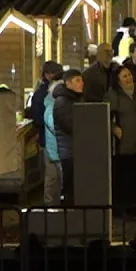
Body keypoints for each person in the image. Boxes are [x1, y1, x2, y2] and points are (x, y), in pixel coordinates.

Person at [106, 65, 136, 216]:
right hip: (124, 143)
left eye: (129, 75)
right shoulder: (114, 95)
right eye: (124, 76)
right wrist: (114, 128)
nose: (128, 78)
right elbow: (105, 115)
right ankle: (123, 208)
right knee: (126, 176)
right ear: (118, 81)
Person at [29, 61, 64, 206]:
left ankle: (50, 206)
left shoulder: (40, 94)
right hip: (53, 142)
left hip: (46, 141)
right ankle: (57, 205)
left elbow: (36, 117)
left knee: (51, 177)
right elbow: (40, 118)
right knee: (56, 176)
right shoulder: (46, 95)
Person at [52, 69, 85, 206]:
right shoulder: (62, 102)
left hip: (75, 150)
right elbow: (70, 125)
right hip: (69, 151)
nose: (81, 83)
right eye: (77, 80)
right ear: (68, 83)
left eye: (82, 80)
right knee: (69, 186)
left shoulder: (75, 99)